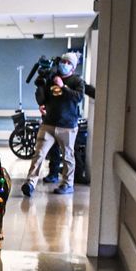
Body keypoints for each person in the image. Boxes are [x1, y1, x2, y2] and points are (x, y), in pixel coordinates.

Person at [22, 51, 85, 196]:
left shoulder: (77, 81)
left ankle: (67, 184)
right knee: (39, 154)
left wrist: (63, 87)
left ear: (73, 68)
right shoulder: (52, 78)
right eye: (63, 61)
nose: (65, 65)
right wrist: (41, 101)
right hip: (48, 123)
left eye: (69, 63)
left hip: (68, 126)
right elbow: (43, 98)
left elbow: (78, 98)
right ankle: (30, 183)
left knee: (68, 156)